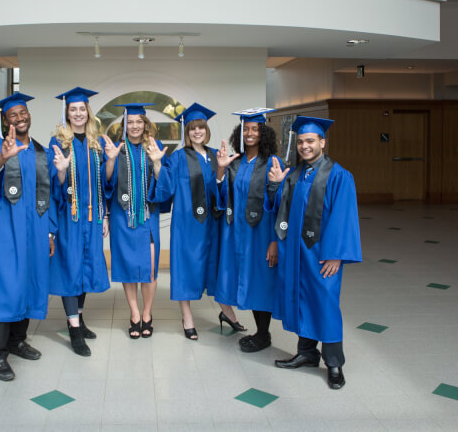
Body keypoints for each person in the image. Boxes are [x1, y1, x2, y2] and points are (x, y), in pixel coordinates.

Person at [267, 116, 362, 390]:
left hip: (322, 254)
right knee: (301, 299)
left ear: (323, 141)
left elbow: (343, 218)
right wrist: (275, 184)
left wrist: (336, 255)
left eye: (310, 141)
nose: (304, 147)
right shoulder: (295, 175)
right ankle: (307, 353)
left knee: (325, 303)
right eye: (300, 142)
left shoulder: (338, 175)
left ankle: (334, 363)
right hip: (296, 253)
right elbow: (279, 209)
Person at [0, 92, 59, 382]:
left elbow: (49, 195)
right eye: (14, 115)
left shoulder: (41, 151)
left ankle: (17, 340)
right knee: (6, 284)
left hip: (35, 230)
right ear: (4, 119)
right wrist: (3, 157)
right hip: (5, 230)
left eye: (23, 113)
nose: (20, 118)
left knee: (30, 280)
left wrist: (49, 231)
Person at [148, 102, 245, 340]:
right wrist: (158, 164)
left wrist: (221, 170)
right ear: (186, 131)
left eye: (201, 127)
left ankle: (226, 311)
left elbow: (221, 189)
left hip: (213, 223)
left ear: (206, 129)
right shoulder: (179, 157)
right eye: (192, 128)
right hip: (187, 224)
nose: (197, 131)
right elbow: (166, 188)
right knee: (185, 268)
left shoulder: (216, 155)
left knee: (216, 266)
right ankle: (187, 317)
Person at [49, 87, 110, 357]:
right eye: (72, 109)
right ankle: (74, 331)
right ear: (67, 112)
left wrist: (105, 214)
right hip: (69, 218)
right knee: (70, 268)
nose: (77, 113)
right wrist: (61, 171)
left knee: (86, 267)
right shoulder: (59, 141)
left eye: (81, 109)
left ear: (88, 112)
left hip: (93, 217)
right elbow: (55, 184)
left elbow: (105, 182)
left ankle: (79, 319)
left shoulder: (96, 143)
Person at [215, 108, 281, 352]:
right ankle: (259, 332)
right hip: (237, 233)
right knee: (249, 280)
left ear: (263, 133)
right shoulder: (236, 162)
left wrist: (275, 240)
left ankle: (263, 335)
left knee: (261, 281)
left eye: (255, 129)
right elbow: (223, 197)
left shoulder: (273, 163)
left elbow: (280, 203)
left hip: (262, 234)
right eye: (246, 129)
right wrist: (221, 170)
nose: (250, 133)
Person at [103, 103, 167, 339]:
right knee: (129, 268)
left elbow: (165, 185)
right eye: (130, 122)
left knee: (149, 269)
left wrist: (158, 163)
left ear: (145, 124)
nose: (135, 126)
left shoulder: (155, 146)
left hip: (147, 217)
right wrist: (109, 161)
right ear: (124, 125)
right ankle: (134, 315)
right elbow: (106, 183)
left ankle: (148, 314)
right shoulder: (115, 149)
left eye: (139, 121)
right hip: (122, 216)